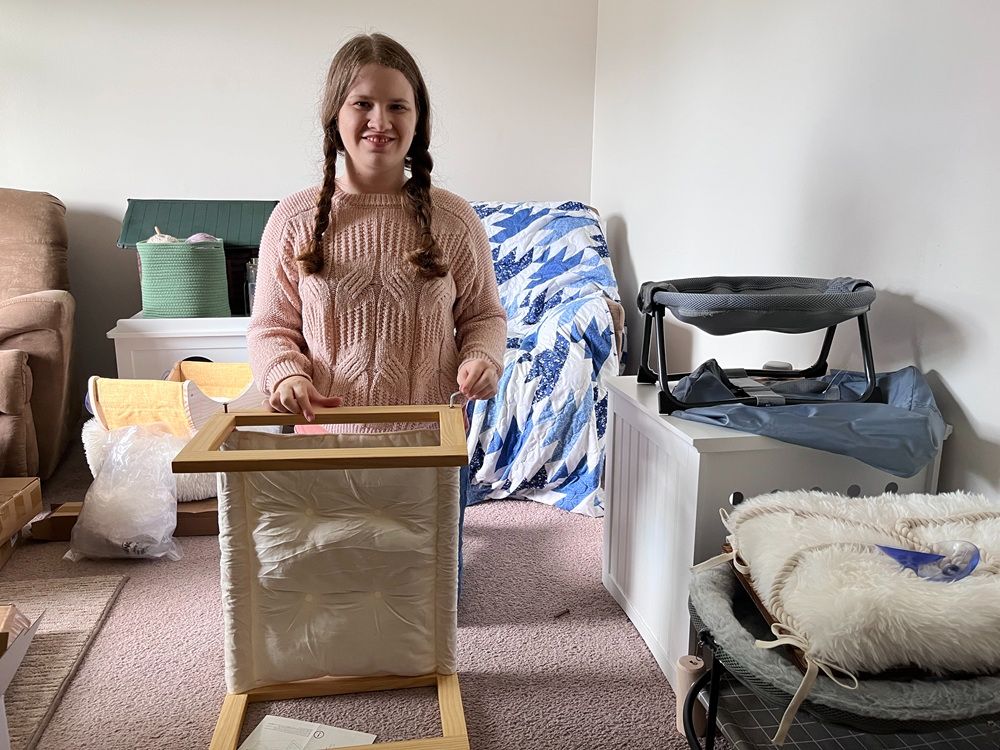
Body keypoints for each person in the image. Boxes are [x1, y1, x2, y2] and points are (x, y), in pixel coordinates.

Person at [247, 32, 506, 589]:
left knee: (429, 599)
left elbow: (484, 316)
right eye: (362, 103)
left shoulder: (454, 219)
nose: (379, 121)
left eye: (397, 106)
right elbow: (271, 328)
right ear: (335, 116)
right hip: (327, 442)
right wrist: (286, 374)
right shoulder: (292, 218)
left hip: (429, 443)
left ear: (418, 122)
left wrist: (483, 357)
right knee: (330, 592)